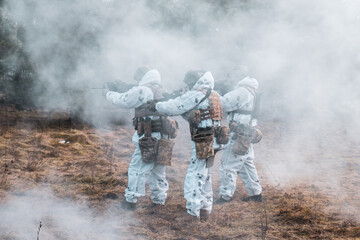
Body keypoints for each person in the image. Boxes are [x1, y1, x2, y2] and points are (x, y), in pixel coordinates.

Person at [150, 70, 227, 222]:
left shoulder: (198, 93)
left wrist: (157, 105)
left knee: (195, 174)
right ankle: (205, 209)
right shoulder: (214, 94)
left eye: (189, 83)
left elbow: (175, 107)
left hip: (204, 138)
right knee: (204, 174)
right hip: (215, 137)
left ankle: (193, 212)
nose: (188, 86)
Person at [104, 67, 174, 210]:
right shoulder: (160, 89)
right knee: (158, 169)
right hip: (163, 135)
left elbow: (123, 101)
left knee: (137, 168)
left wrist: (109, 93)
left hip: (149, 136)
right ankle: (159, 200)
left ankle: (131, 201)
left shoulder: (143, 90)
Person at [216, 65, 263, 204]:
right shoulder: (251, 90)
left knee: (227, 166)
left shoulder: (242, 90)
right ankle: (256, 194)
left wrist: (214, 93)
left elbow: (223, 104)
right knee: (246, 165)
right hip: (246, 133)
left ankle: (225, 196)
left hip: (239, 134)